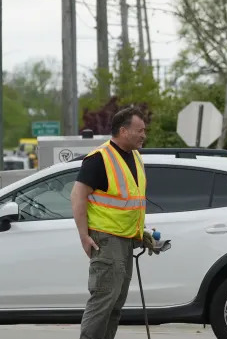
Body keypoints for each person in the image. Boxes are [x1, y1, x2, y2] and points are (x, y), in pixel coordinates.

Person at [71, 107, 148, 339]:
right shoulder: (99, 159)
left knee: (115, 305)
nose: (144, 135)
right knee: (103, 300)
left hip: (125, 240)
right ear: (123, 131)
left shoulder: (134, 155)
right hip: (105, 240)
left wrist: (141, 232)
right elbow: (77, 195)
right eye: (140, 130)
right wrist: (84, 235)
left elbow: (130, 201)